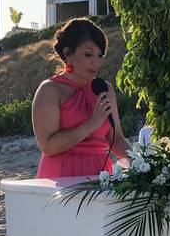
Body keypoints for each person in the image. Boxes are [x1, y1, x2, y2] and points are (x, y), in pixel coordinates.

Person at [32, 18, 131, 178]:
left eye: (100, 56)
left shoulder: (104, 89)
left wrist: (141, 161)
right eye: (88, 54)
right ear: (67, 54)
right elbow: (48, 147)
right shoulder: (50, 90)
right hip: (61, 175)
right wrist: (91, 124)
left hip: (101, 174)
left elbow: (116, 138)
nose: (95, 62)